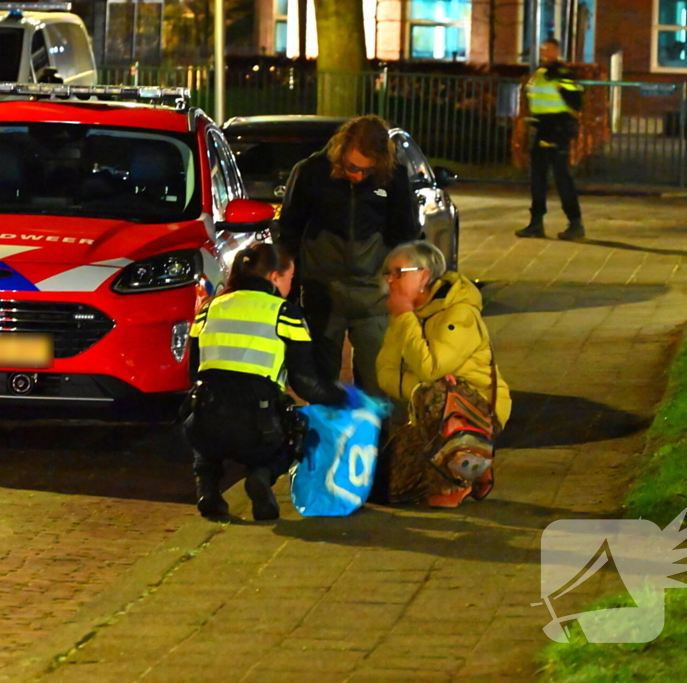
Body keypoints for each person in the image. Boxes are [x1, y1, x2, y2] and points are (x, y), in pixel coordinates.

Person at [184, 243, 350, 521]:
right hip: (259, 428)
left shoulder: (208, 308)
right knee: (298, 430)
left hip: (206, 422)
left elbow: (194, 373)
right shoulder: (285, 313)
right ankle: (262, 476)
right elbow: (306, 384)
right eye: (289, 278)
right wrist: (343, 399)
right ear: (274, 277)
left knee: (203, 433)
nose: (290, 285)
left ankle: (208, 491)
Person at [278, 115, 421, 397]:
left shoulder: (394, 177)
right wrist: (291, 290)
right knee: (321, 383)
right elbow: (289, 231)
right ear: (340, 150)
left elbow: (406, 235)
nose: (357, 176)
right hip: (324, 292)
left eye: (367, 172)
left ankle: (375, 439)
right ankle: (329, 437)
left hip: (373, 295)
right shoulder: (311, 172)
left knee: (378, 382)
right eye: (352, 167)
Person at [374, 241, 512, 508]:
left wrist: (405, 317)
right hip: (430, 409)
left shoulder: (459, 312)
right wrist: (427, 383)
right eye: (387, 273)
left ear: (424, 276)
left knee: (433, 393)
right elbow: (386, 373)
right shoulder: (408, 314)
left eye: (398, 272)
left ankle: (460, 477)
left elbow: (429, 368)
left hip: (479, 408)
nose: (390, 280)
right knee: (390, 492)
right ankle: (474, 466)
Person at [515, 38, 586, 241]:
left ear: (558, 51)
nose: (546, 52)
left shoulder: (561, 73)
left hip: (557, 128)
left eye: (550, 49)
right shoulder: (542, 72)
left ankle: (575, 223)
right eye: (544, 49)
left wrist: (562, 121)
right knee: (538, 176)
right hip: (542, 127)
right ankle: (536, 222)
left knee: (561, 176)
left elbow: (576, 101)